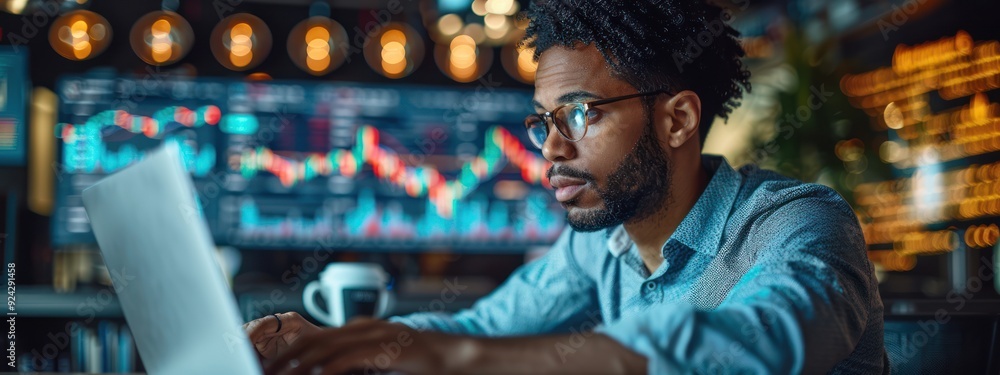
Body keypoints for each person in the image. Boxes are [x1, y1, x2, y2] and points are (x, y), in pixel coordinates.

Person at [244, 0, 886, 373]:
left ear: (678, 119)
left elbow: (760, 343)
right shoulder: (598, 247)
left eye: (581, 113)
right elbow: (486, 325)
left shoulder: (800, 224)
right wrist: (339, 347)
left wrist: (454, 358)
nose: (551, 148)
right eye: (544, 122)